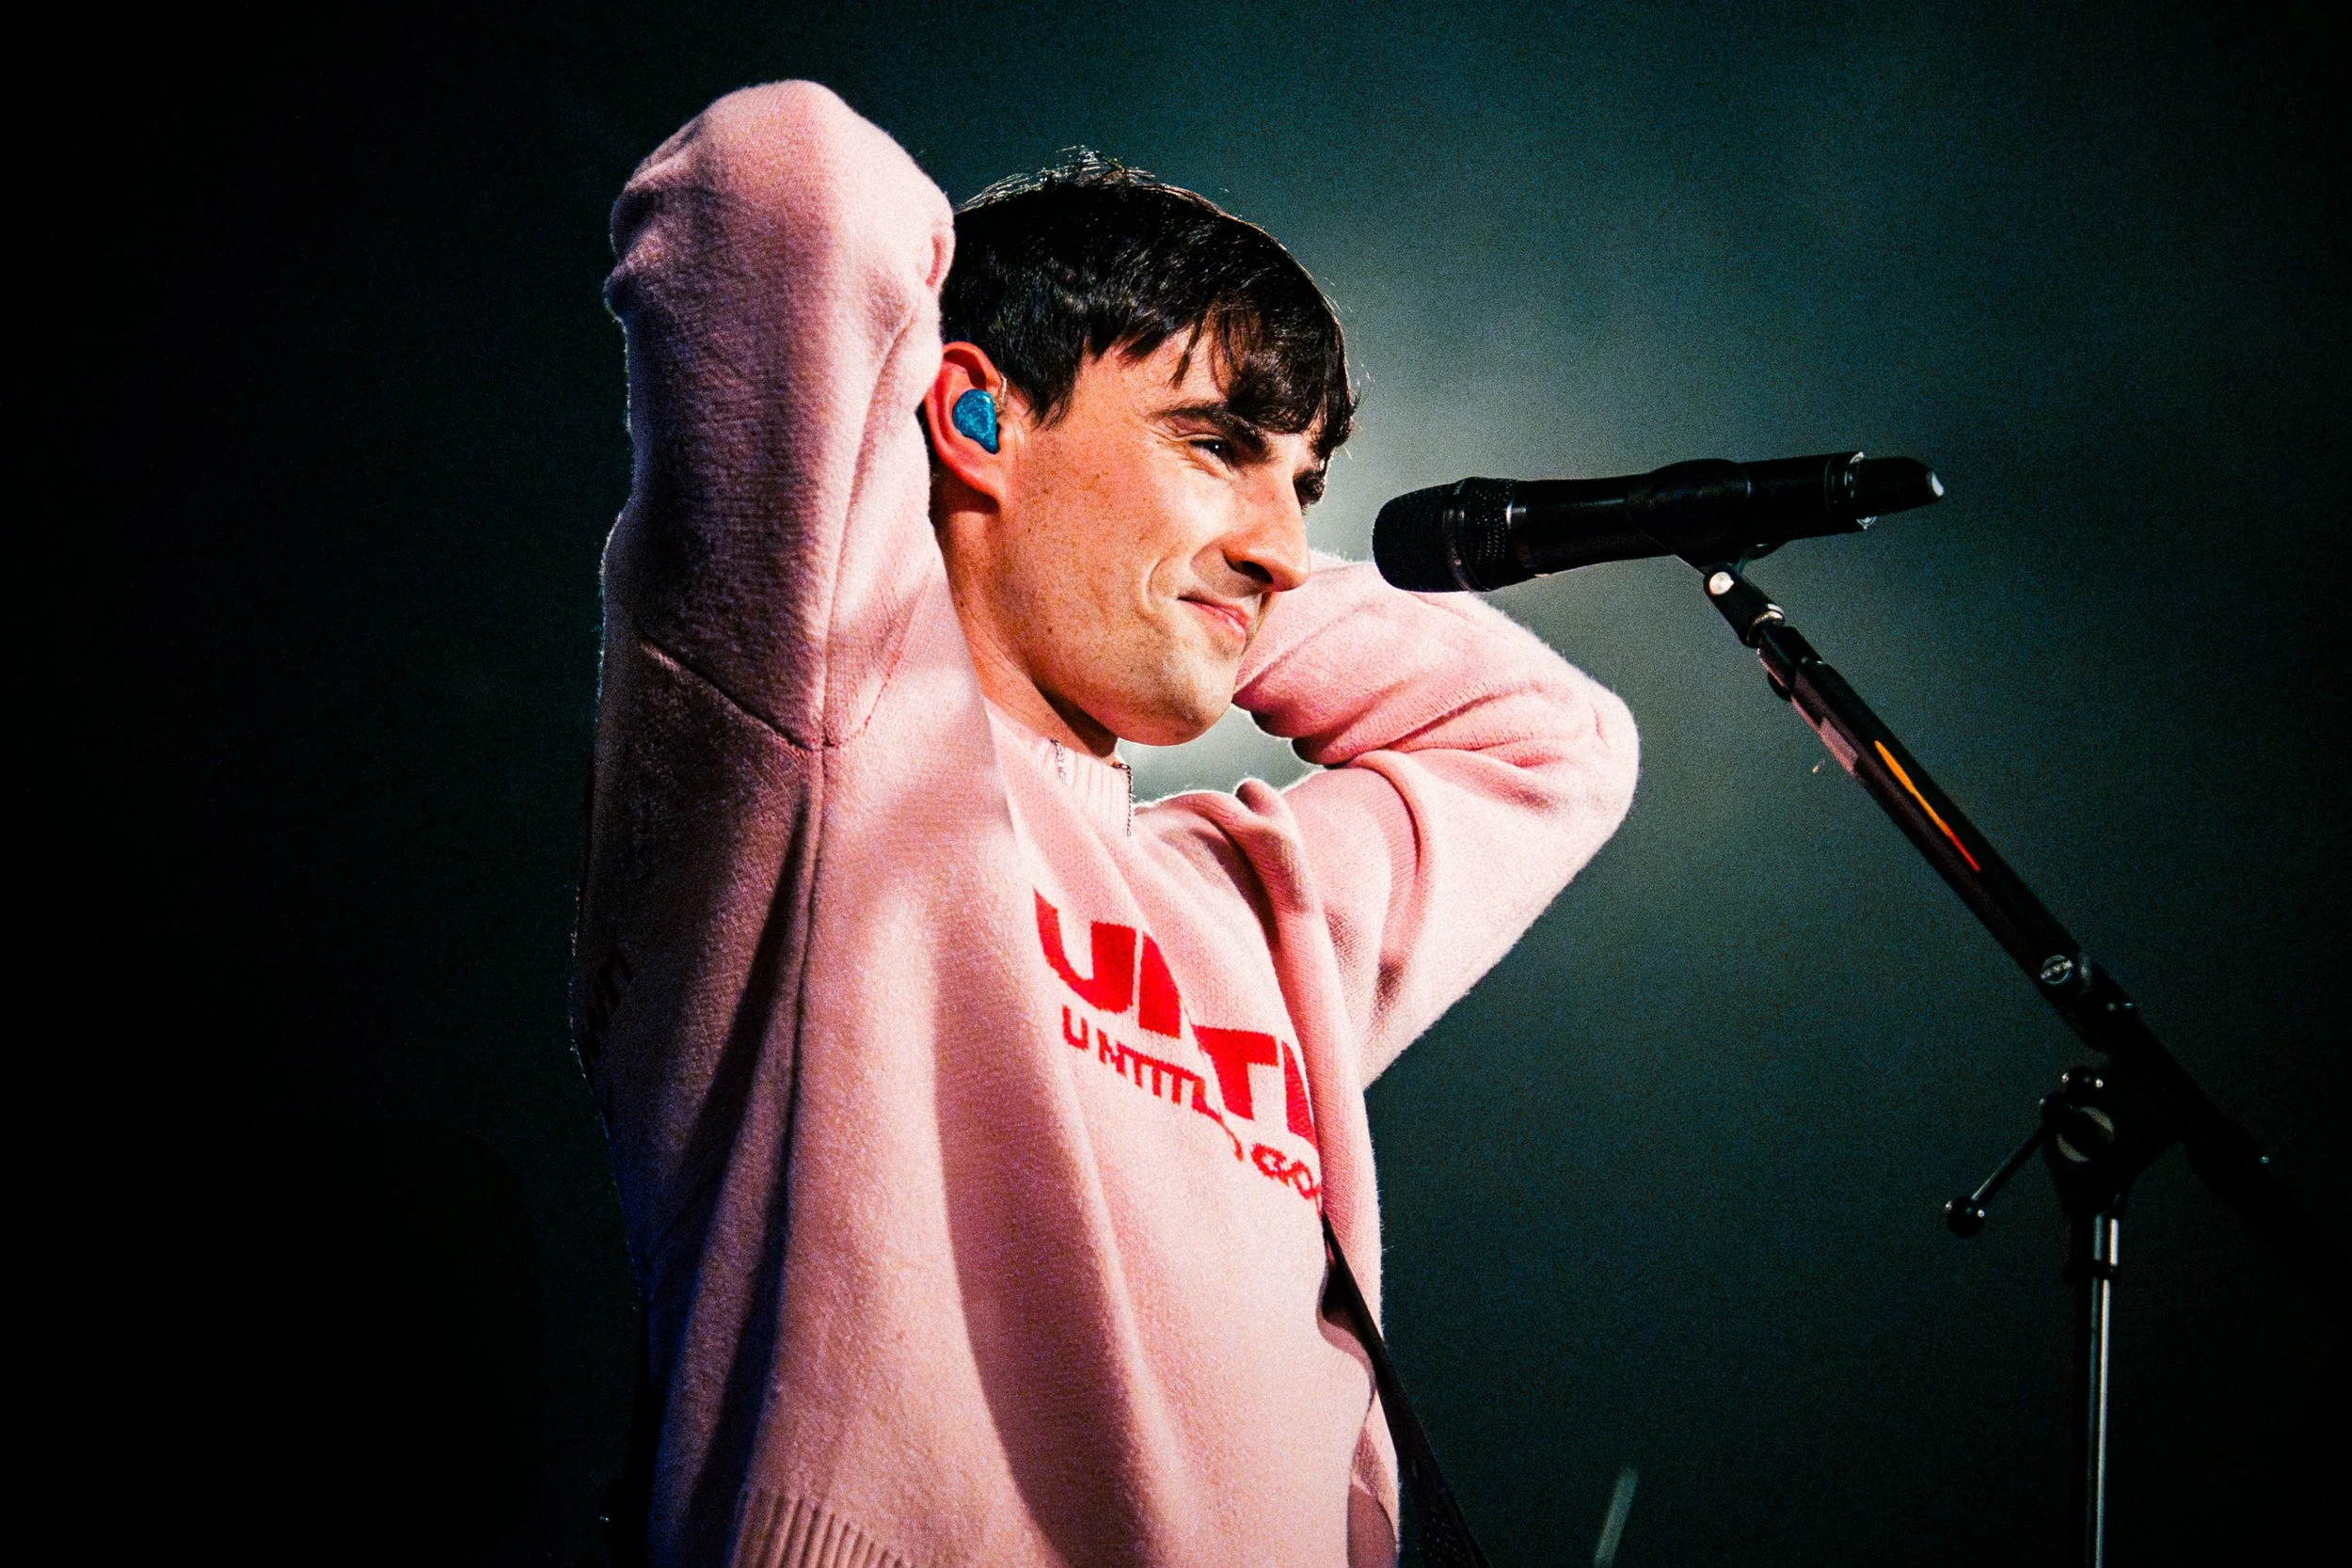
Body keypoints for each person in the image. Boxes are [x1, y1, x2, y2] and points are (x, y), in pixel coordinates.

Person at [574, 80, 1639, 1568]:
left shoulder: (1252, 899)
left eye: (1306, 481)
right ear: (967, 410)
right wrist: (960, 516)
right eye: (1215, 443)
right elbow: (783, 181)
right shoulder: (817, 757)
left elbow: (1560, 742)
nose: (1284, 544)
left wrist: (1202, 577)